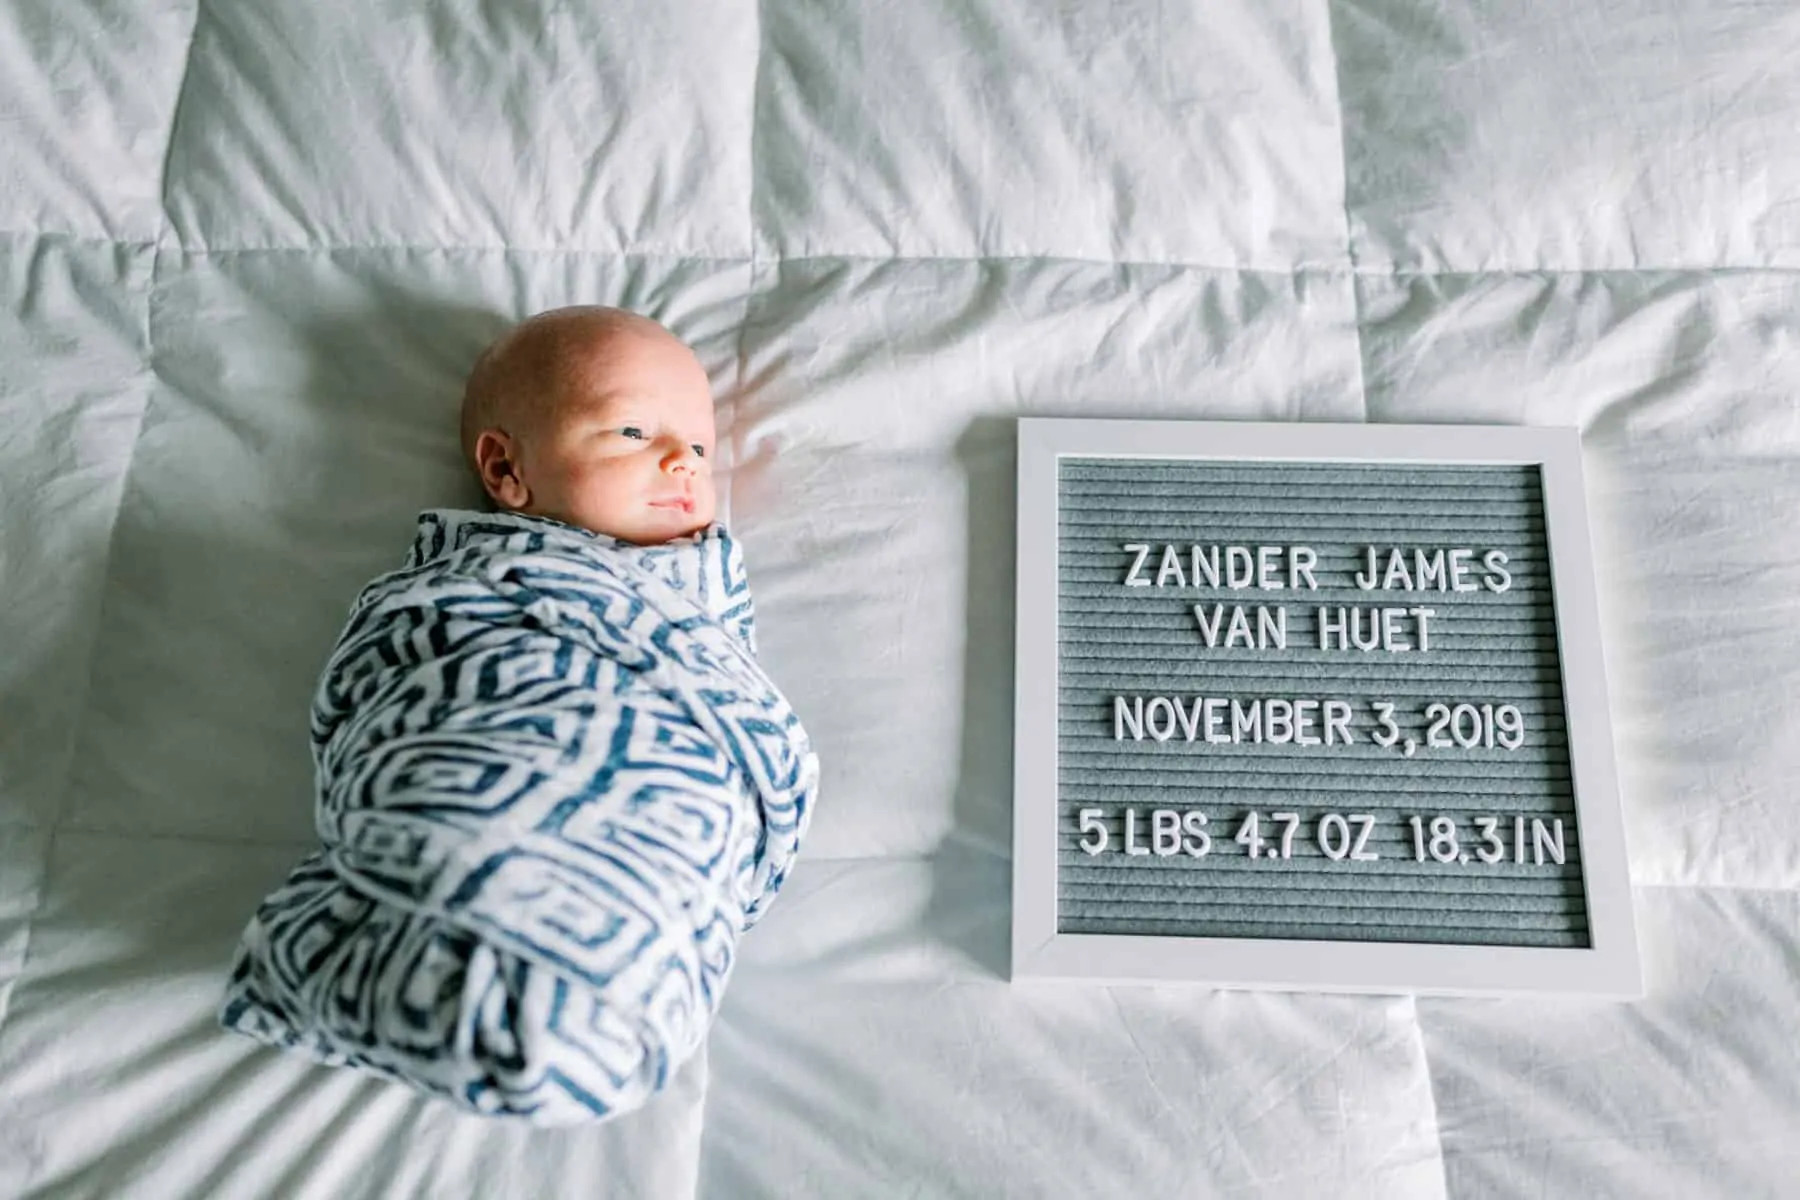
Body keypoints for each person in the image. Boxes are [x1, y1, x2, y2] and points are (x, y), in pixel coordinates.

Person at [218, 307, 818, 1125]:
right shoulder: (467, 591)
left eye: (702, 449)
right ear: (506, 470)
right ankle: (460, 924)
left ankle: (545, 983)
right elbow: (388, 680)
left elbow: (730, 709)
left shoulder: (700, 604)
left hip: (660, 812)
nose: (683, 460)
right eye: (635, 430)